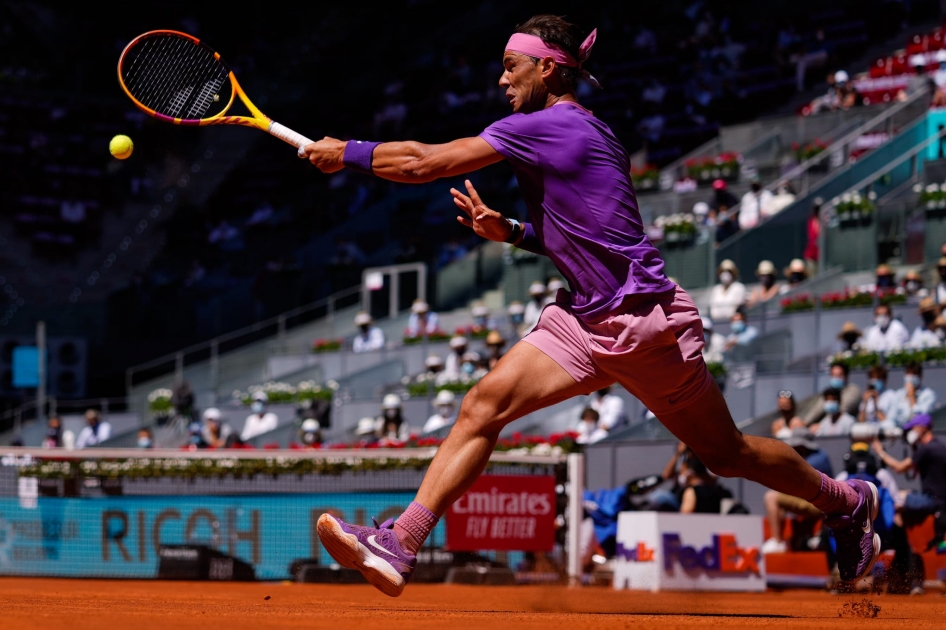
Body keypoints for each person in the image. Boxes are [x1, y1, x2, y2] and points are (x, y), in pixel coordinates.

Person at [303, 15, 882, 596]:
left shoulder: (546, 127)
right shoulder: (584, 130)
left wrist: (344, 151)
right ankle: (402, 542)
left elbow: (423, 162)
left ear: (548, 66)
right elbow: (586, 229)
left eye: (511, 66)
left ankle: (848, 501)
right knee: (482, 405)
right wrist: (515, 234)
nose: (502, 81)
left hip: (640, 325)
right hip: (582, 320)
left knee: (726, 454)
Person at [761, 428, 834, 554]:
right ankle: (780, 542)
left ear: (802, 445)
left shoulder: (817, 459)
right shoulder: (816, 455)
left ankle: (777, 542)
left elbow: (791, 477)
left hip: (820, 507)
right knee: (778, 499)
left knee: (771, 497)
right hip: (814, 502)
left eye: (796, 445)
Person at [872, 414, 946, 535]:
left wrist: (880, 452)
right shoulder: (937, 445)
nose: (910, 432)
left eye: (912, 428)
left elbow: (899, 467)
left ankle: (899, 544)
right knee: (903, 493)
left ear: (921, 428)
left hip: (933, 501)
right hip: (939, 499)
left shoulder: (927, 449)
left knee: (894, 499)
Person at [887, 362, 938, 427]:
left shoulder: (929, 394)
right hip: (900, 430)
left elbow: (920, 417)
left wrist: (911, 396)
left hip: (918, 429)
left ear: (920, 376)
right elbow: (891, 417)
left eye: (914, 375)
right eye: (908, 375)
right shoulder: (899, 394)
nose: (910, 379)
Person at [804, 204, 821, 276]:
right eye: (816, 209)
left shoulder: (823, 220)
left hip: (821, 256)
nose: (817, 211)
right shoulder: (811, 221)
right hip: (811, 255)